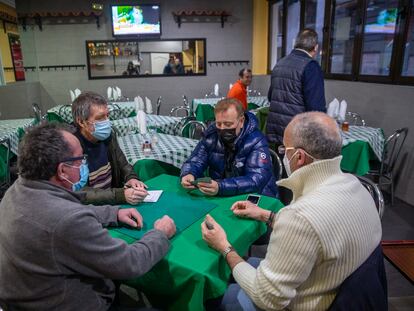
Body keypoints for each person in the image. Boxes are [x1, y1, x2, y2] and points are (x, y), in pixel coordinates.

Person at [201, 112, 382, 310]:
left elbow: (267, 299)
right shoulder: (356, 186)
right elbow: (319, 234)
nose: (282, 154)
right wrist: (266, 215)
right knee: (248, 263)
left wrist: (224, 247)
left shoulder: (300, 216)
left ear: (299, 157)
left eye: (283, 149)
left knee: (219, 298)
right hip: (341, 288)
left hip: (306, 302)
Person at [0, 122, 176, 310]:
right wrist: (160, 234)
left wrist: (113, 213)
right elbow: (130, 263)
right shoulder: (68, 220)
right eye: (80, 160)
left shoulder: (16, 190)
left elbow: (62, 208)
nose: (83, 164)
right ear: (62, 170)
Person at [181, 98, 277, 197]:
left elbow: (256, 179)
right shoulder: (211, 135)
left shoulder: (257, 140)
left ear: (241, 121)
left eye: (228, 124)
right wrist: (188, 173)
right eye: (218, 123)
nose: (222, 128)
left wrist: (221, 187)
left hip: (258, 197)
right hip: (223, 194)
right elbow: (195, 160)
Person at [71, 91, 147, 205]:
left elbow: (123, 164)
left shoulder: (108, 136)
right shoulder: (70, 146)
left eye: (108, 115)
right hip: (90, 210)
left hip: (111, 204)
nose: (107, 121)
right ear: (81, 121)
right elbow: (81, 192)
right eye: (100, 117)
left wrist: (131, 178)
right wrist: (120, 195)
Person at [266, 29, 327, 147]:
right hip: (297, 131)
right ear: (315, 47)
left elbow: (270, 97)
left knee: (282, 164)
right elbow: (315, 108)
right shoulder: (310, 66)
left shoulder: (280, 63)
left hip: (277, 129)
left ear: (296, 43)